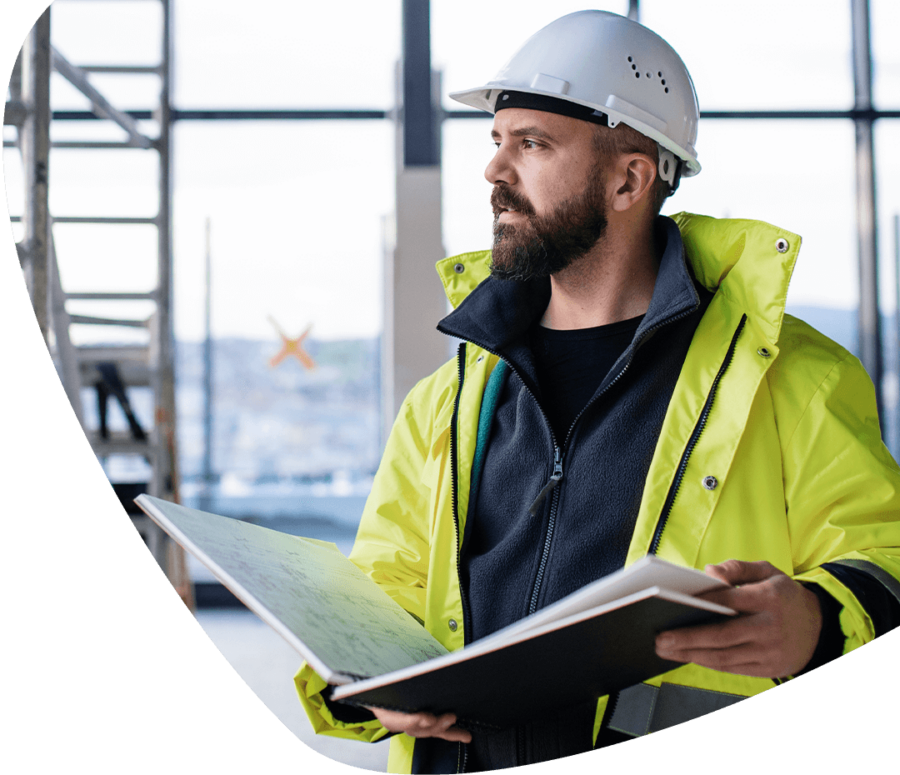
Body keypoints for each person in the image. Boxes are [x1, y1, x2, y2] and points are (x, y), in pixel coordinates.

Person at [294, 10, 900, 773]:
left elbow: (885, 555)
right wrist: (361, 682)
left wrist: (818, 620)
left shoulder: (791, 378)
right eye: (496, 140)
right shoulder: (445, 400)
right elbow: (384, 593)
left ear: (629, 177)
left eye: (533, 143)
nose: (495, 171)